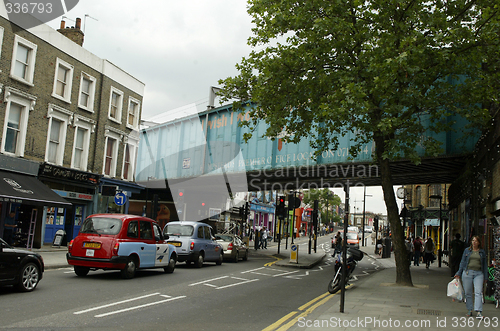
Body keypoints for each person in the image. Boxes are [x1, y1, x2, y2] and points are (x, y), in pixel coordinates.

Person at [454, 235, 488, 318]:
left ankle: (479, 311)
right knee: (468, 292)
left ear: (479, 243)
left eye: (476, 241)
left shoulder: (482, 252)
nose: (474, 242)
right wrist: (458, 273)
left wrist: (485, 277)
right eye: (473, 240)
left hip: (479, 273)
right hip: (467, 273)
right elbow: (462, 262)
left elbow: (484, 265)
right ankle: (469, 309)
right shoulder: (467, 251)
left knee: (478, 292)